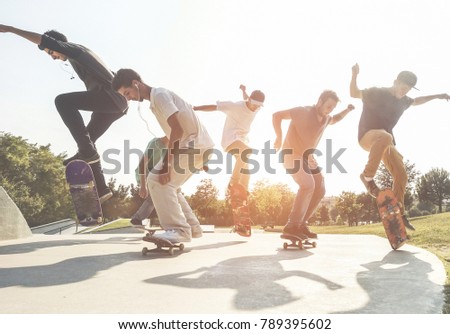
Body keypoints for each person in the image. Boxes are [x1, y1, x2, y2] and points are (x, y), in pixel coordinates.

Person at [0, 24, 128, 203]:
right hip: (115, 104)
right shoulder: (83, 55)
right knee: (88, 141)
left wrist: (10, 29)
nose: (53, 57)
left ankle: (87, 153)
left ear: (57, 45)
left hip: (110, 99)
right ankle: (102, 188)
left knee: (62, 101)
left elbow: (44, 40)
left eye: (50, 52)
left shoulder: (75, 50)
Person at [112, 68, 214, 243]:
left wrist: (166, 165)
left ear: (136, 83)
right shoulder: (155, 100)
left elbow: (177, 130)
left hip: (194, 145)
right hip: (197, 145)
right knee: (170, 185)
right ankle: (193, 228)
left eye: (127, 93)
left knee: (157, 180)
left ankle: (179, 230)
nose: (128, 98)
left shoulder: (159, 95)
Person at [350, 63, 450, 230]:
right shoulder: (377, 92)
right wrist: (354, 75)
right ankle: (367, 177)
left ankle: (398, 214)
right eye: (403, 87)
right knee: (385, 135)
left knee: (401, 175)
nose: (405, 92)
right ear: (395, 81)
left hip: (386, 143)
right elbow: (354, 93)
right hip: (367, 137)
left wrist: (438, 95)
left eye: (408, 89)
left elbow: (418, 101)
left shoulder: (404, 101)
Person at [273, 90, 354, 239]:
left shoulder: (326, 119)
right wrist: (279, 137)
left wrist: (348, 110)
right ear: (319, 102)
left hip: (306, 157)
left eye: (333, 108)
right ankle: (292, 225)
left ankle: (301, 224)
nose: (330, 110)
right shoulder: (302, 111)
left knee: (320, 188)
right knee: (307, 184)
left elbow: (335, 119)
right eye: (328, 106)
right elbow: (277, 115)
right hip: (289, 155)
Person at [194, 85, 265, 194]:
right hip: (230, 139)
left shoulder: (255, 106)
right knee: (247, 151)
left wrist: (244, 90)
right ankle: (233, 183)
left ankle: (242, 193)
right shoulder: (234, 106)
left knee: (246, 167)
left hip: (242, 140)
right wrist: (195, 108)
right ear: (250, 100)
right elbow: (214, 107)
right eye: (254, 104)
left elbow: (246, 97)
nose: (255, 108)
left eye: (258, 106)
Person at [130, 136, 203, 239]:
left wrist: (198, 164)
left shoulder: (174, 147)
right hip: (145, 174)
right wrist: (143, 185)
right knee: (157, 191)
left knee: (176, 192)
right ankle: (137, 218)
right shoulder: (155, 144)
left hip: (160, 173)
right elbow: (142, 164)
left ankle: (194, 227)